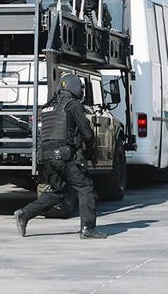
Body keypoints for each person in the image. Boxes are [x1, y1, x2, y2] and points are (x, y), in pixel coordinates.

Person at [14, 73, 107, 239]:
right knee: (85, 188)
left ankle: (25, 213)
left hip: (46, 158)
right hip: (65, 157)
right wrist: (91, 153)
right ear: (75, 87)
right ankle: (88, 228)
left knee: (60, 192)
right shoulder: (73, 105)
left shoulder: (48, 107)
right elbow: (87, 133)